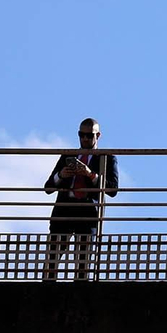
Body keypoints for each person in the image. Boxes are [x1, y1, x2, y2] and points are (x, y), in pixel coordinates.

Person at [42, 118, 118, 282]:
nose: (84, 139)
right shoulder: (67, 156)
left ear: (98, 136)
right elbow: (48, 187)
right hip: (64, 211)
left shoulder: (108, 158)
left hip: (87, 213)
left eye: (89, 136)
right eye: (81, 135)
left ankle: (80, 294)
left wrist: (90, 175)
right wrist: (61, 175)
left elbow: (112, 189)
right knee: (51, 262)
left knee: (83, 265)